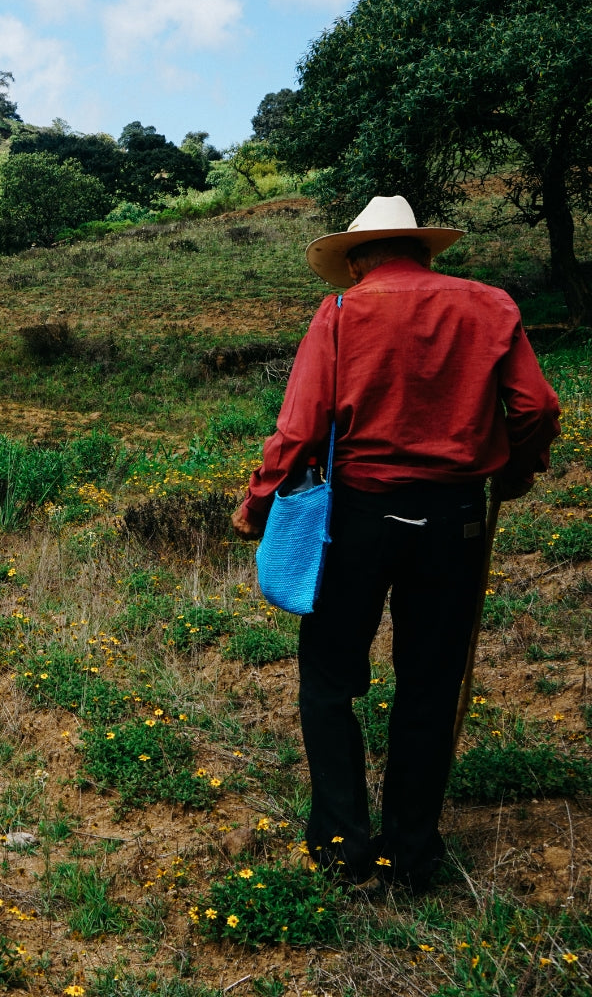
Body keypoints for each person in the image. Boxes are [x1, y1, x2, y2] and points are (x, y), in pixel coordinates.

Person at [232, 195, 559, 893]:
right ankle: (412, 854)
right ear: (422, 251)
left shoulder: (344, 312)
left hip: (358, 518)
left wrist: (258, 504)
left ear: (355, 258)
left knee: (328, 680)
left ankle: (342, 847)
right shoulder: (491, 305)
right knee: (431, 683)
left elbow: (299, 429)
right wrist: (516, 473)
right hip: (455, 520)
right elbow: (536, 406)